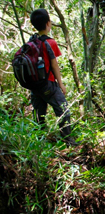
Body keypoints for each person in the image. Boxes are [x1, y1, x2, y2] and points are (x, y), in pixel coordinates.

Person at [29, 9, 74, 144]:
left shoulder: (31, 41)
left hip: (34, 86)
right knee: (64, 110)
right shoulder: (50, 42)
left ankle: (40, 141)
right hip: (48, 84)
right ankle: (68, 140)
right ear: (48, 23)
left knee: (39, 115)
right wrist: (60, 84)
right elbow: (54, 65)